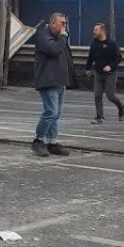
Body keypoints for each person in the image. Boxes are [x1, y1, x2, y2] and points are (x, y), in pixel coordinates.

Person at [31, 12, 72, 157]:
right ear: (53, 23)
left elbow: (65, 56)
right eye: (62, 23)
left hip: (59, 80)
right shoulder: (43, 35)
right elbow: (53, 49)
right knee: (50, 112)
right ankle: (38, 140)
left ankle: (52, 142)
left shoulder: (59, 38)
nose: (64, 27)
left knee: (57, 114)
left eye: (65, 24)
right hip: (47, 80)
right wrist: (63, 37)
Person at [86, 22, 124, 124]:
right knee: (97, 95)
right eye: (94, 29)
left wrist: (110, 66)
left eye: (96, 30)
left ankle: (121, 108)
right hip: (98, 73)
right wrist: (88, 68)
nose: (94, 32)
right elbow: (90, 57)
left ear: (102, 31)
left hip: (110, 74)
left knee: (110, 95)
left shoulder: (111, 44)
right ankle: (100, 117)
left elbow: (118, 58)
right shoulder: (94, 43)